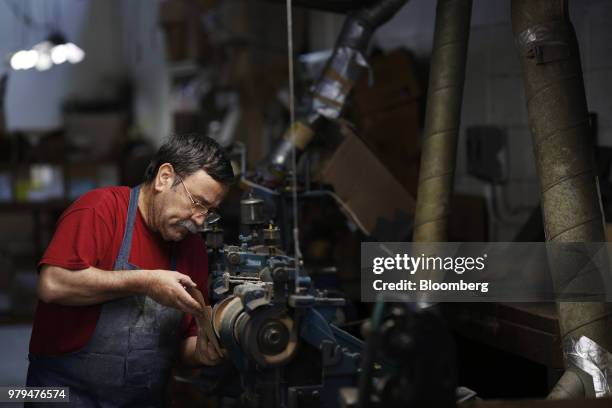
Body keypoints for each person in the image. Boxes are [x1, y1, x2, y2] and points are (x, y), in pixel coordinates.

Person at [26, 133, 234, 407]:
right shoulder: (100, 209)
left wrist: (202, 352)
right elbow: (53, 284)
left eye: (210, 211)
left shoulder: (192, 248)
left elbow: (185, 339)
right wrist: (146, 282)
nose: (200, 220)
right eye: (197, 203)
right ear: (164, 177)